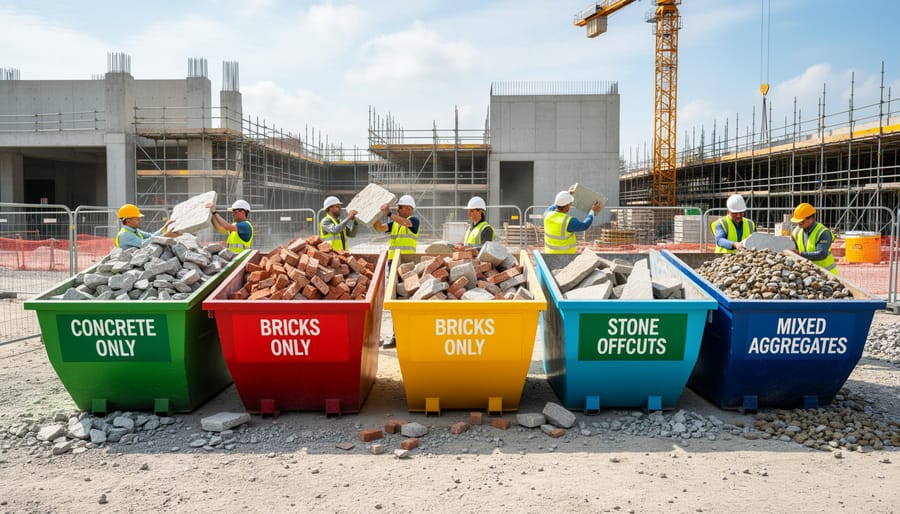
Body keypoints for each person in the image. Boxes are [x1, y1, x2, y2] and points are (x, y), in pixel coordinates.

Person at [373, 194, 420, 349]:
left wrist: (388, 214)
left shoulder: (413, 221)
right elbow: (380, 228)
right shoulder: (395, 223)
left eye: (399, 207)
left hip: (406, 264)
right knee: (394, 300)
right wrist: (374, 216)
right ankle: (396, 336)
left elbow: (405, 223)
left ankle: (405, 335)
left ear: (408, 208)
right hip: (392, 264)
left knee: (405, 299)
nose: (397, 209)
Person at [543, 185, 601, 254]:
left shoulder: (547, 214)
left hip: (549, 254)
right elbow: (584, 225)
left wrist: (566, 195)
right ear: (566, 207)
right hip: (565, 256)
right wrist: (592, 211)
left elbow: (555, 205)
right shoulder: (568, 221)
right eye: (569, 204)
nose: (569, 206)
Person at [790, 202, 838, 275]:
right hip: (807, 274)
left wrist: (800, 254)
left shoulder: (823, 232)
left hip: (826, 275)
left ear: (811, 219)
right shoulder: (796, 232)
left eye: (802, 221)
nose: (799, 224)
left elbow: (822, 254)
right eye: (797, 222)